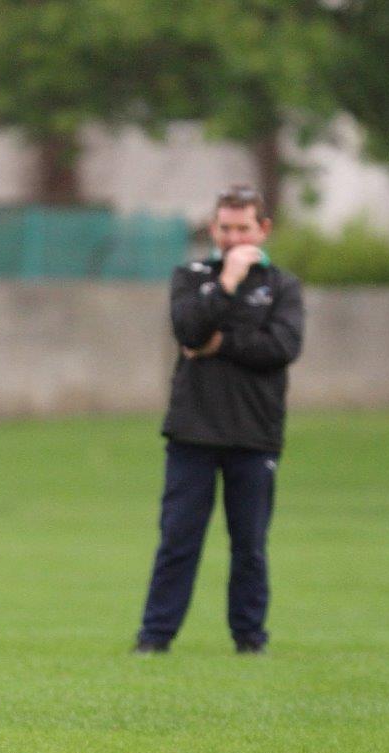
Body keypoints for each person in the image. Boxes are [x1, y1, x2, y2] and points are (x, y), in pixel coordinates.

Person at [135, 185, 304, 655]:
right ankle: (155, 638)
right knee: (177, 540)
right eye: (225, 228)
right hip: (192, 431)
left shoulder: (282, 286)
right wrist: (227, 282)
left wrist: (220, 345)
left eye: (242, 228)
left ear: (263, 229)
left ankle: (250, 639)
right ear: (214, 229)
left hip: (255, 434)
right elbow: (188, 329)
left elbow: (282, 348)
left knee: (249, 545)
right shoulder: (190, 277)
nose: (232, 238)